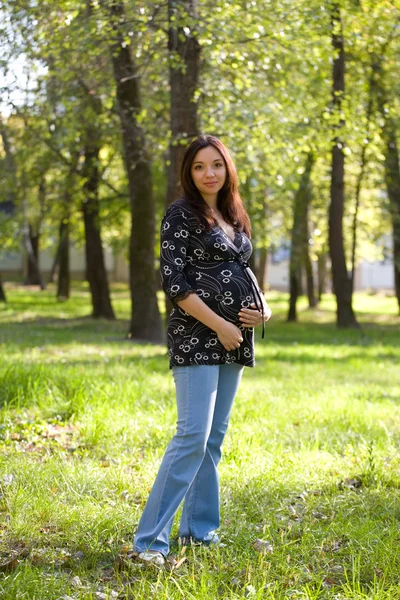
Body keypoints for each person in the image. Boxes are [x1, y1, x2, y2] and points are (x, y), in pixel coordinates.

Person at [133, 134, 272, 566]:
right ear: (188, 173)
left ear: (227, 168)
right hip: (198, 336)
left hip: (235, 337)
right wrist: (223, 326)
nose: (208, 173)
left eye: (216, 164)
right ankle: (149, 543)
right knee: (192, 435)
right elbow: (176, 285)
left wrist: (262, 308)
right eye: (199, 166)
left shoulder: (233, 213)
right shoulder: (180, 214)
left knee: (213, 439)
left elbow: (242, 269)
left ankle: (199, 533)